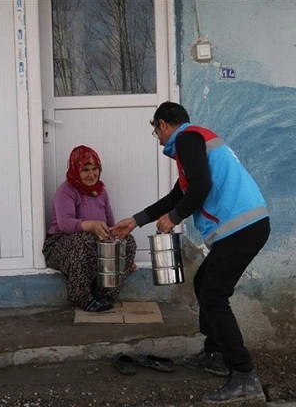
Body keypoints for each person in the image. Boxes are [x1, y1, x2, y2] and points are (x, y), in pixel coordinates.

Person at [111, 102, 271, 404]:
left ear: (162, 125)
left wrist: (175, 217)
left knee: (213, 294)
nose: (157, 137)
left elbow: (200, 187)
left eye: (155, 131)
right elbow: (179, 193)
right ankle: (215, 353)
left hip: (243, 227)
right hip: (246, 226)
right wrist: (135, 221)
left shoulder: (186, 139)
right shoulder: (195, 142)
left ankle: (244, 375)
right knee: (204, 284)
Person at [43, 145, 136, 313]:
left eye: (95, 169)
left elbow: (111, 225)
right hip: (60, 246)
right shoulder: (66, 191)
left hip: (92, 245)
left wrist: (122, 254)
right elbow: (65, 224)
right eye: (85, 170)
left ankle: (104, 295)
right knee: (83, 239)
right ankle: (82, 297)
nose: (92, 175)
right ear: (75, 170)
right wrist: (91, 225)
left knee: (126, 240)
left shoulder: (101, 192)